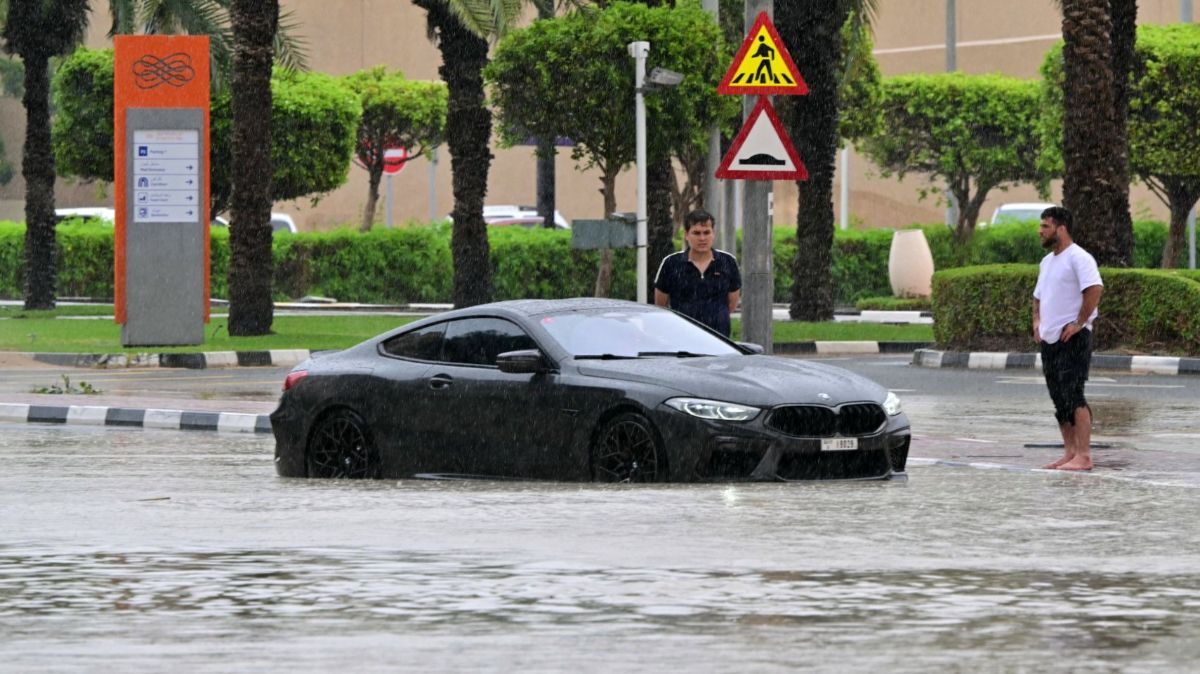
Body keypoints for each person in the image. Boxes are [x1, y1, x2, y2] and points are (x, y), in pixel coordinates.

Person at [1032, 206, 1104, 471]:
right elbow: (1038, 296)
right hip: (1050, 339)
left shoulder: (1079, 258)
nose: (1040, 232)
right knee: (1058, 398)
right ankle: (1070, 452)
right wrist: (1036, 321)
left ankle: (1084, 455)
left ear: (1061, 228)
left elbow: (1095, 289)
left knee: (1074, 394)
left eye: (1045, 227)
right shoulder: (1047, 261)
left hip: (1073, 338)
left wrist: (1078, 323)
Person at [654, 209, 741, 337]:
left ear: (713, 234)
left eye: (706, 232)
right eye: (696, 233)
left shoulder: (727, 262)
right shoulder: (671, 263)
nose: (702, 238)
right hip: (681, 338)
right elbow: (661, 305)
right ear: (686, 235)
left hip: (720, 339)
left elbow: (732, 304)